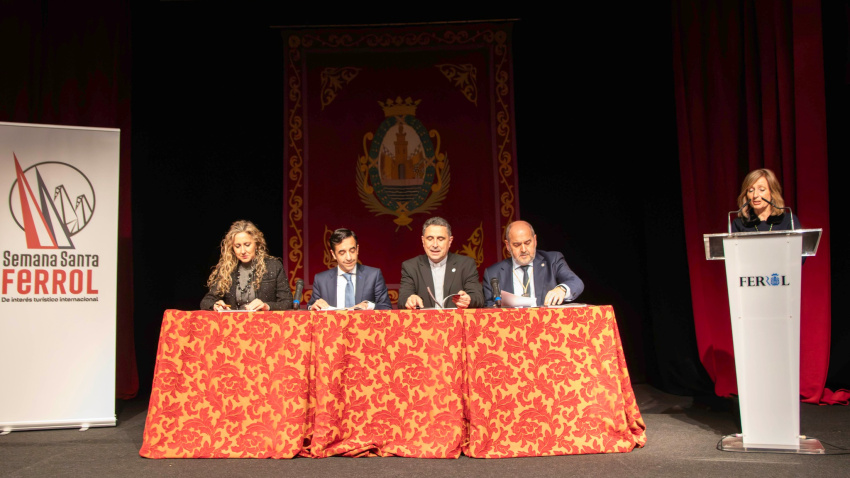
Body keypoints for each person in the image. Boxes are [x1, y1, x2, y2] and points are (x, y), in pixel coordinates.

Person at [483, 220, 583, 307]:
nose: (523, 249)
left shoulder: (552, 261)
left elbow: (576, 282)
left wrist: (561, 289)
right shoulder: (493, 273)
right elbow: (489, 310)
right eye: (517, 245)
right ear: (508, 246)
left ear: (535, 240)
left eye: (527, 243)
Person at [200, 220, 293, 311]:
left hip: (265, 323)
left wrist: (266, 306)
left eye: (247, 245)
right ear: (232, 248)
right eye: (237, 246)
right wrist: (215, 305)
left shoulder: (273, 266)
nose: (243, 251)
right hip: (233, 324)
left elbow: (287, 302)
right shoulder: (227, 269)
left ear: (256, 244)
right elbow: (206, 301)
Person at [398, 216, 484, 309]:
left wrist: (469, 300)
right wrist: (410, 299)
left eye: (440, 239)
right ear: (423, 241)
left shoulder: (466, 264)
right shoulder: (411, 266)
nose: (435, 245)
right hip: (424, 322)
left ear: (450, 241)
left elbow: (478, 298)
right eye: (430, 239)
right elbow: (402, 299)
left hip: (456, 321)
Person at [308, 228, 392, 310]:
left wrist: (369, 306)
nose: (349, 257)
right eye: (342, 253)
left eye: (352, 251)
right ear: (333, 254)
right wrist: (313, 307)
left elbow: (386, 308)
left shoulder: (373, 275)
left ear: (357, 249)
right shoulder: (321, 280)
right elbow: (311, 307)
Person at [732, 168, 797, 232]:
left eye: (762, 189)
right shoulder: (738, 224)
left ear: (772, 192)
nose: (755, 195)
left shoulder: (789, 220)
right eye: (751, 190)